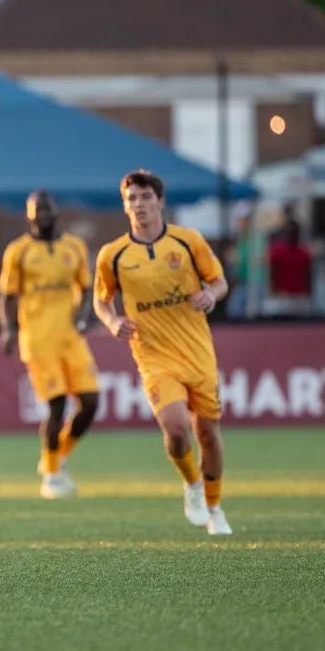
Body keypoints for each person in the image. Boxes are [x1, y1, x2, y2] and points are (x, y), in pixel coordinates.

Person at [93, 170, 232, 536]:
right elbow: (101, 300)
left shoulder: (188, 242)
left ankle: (215, 508)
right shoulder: (113, 255)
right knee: (174, 430)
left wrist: (209, 295)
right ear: (125, 206)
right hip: (153, 355)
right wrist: (110, 321)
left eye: (144, 197)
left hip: (198, 352)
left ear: (160, 201)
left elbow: (219, 281)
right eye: (131, 199)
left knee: (207, 433)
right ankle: (192, 485)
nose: (138, 205)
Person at [0, 190, 100, 499]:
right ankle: (52, 477)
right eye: (35, 209)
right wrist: (8, 330)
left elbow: (85, 288)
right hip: (38, 339)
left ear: (56, 211)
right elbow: (7, 296)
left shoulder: (75, 247)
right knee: (56, 406)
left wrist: (83, 318)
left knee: (91, 403)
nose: (41, 214)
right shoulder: (18, 251)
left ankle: (57, 455)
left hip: (71, 337)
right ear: (28, 215)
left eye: (46, 208)